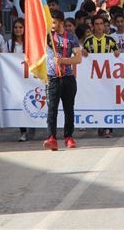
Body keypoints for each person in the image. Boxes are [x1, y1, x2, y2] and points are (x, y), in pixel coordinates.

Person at [43, 10, 83, 151]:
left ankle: (68, 137)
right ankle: (51, 138)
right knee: (52, 109)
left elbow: (78, 59)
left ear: (61, 22)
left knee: (69, 109)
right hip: (53, 78)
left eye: (54, 22)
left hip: (68, 78)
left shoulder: (71, 37)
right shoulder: (47, 36)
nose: (52, 25)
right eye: (50, 22)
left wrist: (63, 61)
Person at [83, 14, 120, 138]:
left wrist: (117, 53)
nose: (99, 26)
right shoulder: (88, 41)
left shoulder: (110, 40)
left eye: (101, 24)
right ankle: (100, 125)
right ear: (92, 26)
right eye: (96, 24)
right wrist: (84, 53)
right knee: (98, 101)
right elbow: (84, 56)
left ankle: (108, 128)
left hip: (108, 76)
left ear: (104, 26)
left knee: (108, 100)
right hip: (94, 77)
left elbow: (117, 53)